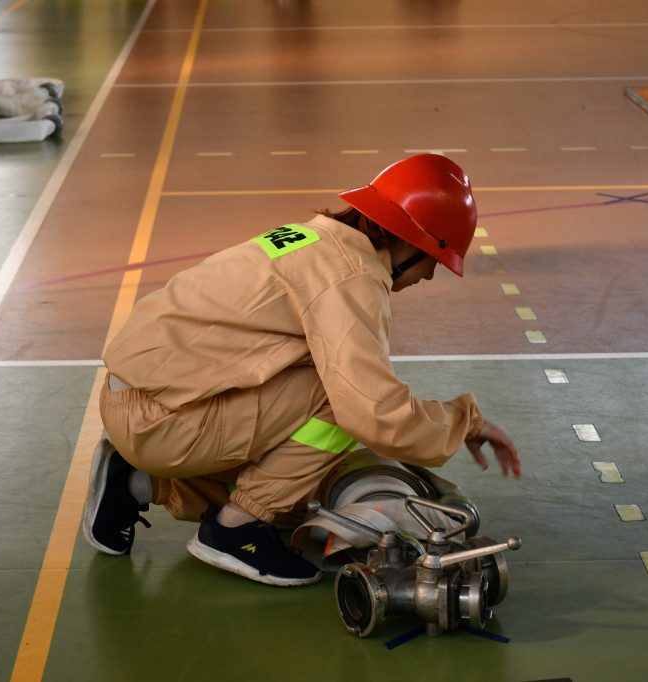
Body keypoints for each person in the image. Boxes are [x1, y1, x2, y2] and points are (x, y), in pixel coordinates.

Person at [81, 154, 520, 587]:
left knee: (294, 496)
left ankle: (136, 483)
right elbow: (374, 413)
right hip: (162, 423)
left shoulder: (314, 238)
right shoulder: (352, 275)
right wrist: (464, 422)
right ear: (411, 242)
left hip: (136, 401)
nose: (428, 278)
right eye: (435, 262)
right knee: (339, 404)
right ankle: (234, 529)